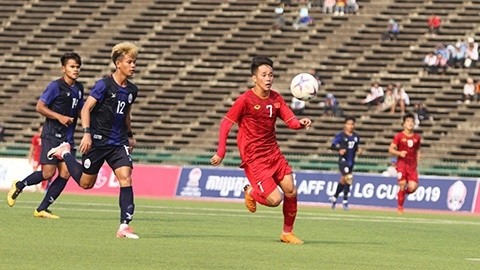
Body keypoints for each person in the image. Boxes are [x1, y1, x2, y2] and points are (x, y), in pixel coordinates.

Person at [210, 56, 312, 245]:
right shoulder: (245, 100)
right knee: (275, 200)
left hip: (273, 153)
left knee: (291, 189)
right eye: (264, 75)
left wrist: (300, 123)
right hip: (254, 158)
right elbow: (226, 123)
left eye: (271, 75)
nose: (268, 78)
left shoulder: (276, 98)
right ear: (254, 78)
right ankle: (250, 192)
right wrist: (221, 152)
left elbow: (290, 120)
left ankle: (287, 233)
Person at [47, 42, 139, 239]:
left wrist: (130, 135)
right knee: (85, 183)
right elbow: (86, 108)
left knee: (126, 177)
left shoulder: (132, 90)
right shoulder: (103, 85)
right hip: (98, 140)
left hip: (118, 142)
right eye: (130, 62)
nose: (133, 66)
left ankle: (124, 225)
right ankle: (65, 152)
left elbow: (127, 114)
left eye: (134, 62)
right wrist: (87, 133)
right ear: (118, 64)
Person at [6, 52, 84, 219]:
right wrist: (59, 117)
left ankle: (42, 208)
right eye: (72, 66)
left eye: (78, 67)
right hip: (51, 136)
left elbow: (80, 109)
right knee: (48, 173)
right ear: (63, 68)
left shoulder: (79, 88)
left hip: (67, 139)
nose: (75, 70)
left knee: (65, 174)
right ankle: (19, 185)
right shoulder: (55, 86)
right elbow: (40, 107)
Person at [388, 113, 421, 215]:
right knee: (402, 184)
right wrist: (399, 153)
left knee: (413, 187)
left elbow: (418, 149)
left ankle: (401, 194)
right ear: (404, 124)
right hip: (402, 164)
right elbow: (391, 149)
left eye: (412, 121)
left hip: (412, 166)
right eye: (408, 121)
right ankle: (400, 207)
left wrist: (418, 158)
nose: (410, 123)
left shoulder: (417, 137)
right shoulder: (399, 136)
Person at [329, 116, 362, 210]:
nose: (350, 126)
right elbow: (332, 146)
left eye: (352, 124)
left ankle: (334, 197)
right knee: (349, 177)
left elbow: (355, 148)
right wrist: (339, 149)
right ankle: (345, 200)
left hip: (351, 161)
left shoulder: (356, 136)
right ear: (345, 125)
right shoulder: (341, 135)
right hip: (343, 160)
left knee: (345, 180)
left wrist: (359, 150)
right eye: (348, 124)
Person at [28, 124, 50, 191]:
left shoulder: (47, 137)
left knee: (45, 172)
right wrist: (30, 156)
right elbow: (32, 147)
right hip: (36, 157)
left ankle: (43, 187)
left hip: (44, 156)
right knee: (34, 171)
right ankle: (35, 186)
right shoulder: (36, 137)